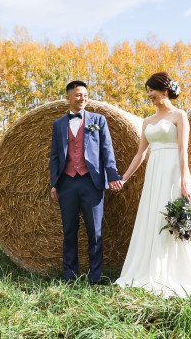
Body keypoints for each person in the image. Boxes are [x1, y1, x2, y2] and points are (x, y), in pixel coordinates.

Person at [114, 72, 191, 297]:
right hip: (154, 172)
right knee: (154, 216)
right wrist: (125, 177)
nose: (149, 95)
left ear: (165, 91)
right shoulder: (147, 121)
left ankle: (177, 271)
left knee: (174, 217)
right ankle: (150, 271)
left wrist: (185, 179)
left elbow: (182, 150)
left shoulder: (180, 116)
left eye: (152, 90)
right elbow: (140, 153)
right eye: (147, 91)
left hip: (173, 172)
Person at [50, 80, 124, 285]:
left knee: (95, 233)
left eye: (85, 95)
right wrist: (54, 183)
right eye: (78, 95)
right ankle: (70, 277)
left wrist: (113, 176)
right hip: (66, 184)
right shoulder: (58, 124)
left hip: (92, 183)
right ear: (68, 97)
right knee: (69, 232)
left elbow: (107, 151)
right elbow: (55, 156)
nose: (82, 98)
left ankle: (95, 278)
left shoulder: (98, 120)